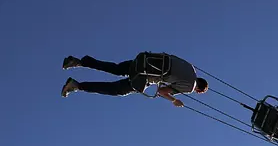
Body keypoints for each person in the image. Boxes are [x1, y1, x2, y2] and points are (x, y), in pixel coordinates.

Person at [60, 52, 208, 106]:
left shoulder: (191, 68)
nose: (197, 92)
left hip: (144, 60)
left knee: (115, 68)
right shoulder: (189, 87)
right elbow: (162, 91)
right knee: (115, 90)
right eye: (199, 91)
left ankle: (78, 61)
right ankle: (77, 85)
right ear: (199, 88)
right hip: (146, 76)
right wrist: (174, 100)